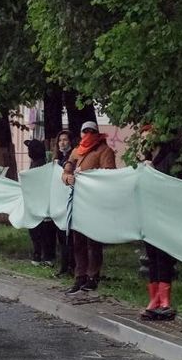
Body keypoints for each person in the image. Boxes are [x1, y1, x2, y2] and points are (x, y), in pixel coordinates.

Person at [61, 119, 117, 294]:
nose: (87, 135)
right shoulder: (77, 151)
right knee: (78, 242)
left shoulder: (104, 151)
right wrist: (67, 177)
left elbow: (109, 175)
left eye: (91, 131)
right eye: (85, 131)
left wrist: (89, 177)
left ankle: (93, 276)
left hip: (94, 202)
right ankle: (80, 276)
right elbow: (66, 169)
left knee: (93, 241)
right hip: (78, 201)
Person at [140, 127, 182, 321]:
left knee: (163, 256)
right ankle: (154, 299)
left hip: (166, 214)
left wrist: (152, 172)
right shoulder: (147, 159)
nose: (145, 142)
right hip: (149, 213)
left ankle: (165, 300)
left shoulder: (173, 158)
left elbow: (176, 185)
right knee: (151, 255)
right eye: (142, 139)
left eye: (148, 137)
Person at [24, 138, 58, 264]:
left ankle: (46, 256)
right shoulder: (35, 164)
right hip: (35, 204)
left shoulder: (41, 165)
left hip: (42, 205)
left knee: (43, 232)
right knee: (38, 231)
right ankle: (40, 254)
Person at [53, 129, 75, 276]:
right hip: (59, 202)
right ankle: (64, 266)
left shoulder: (73, 157)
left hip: (70, 202)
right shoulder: (58, 158)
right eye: (60, 140)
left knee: (69, 237)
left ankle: (71, 266)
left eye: (65, 140)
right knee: (61, 236)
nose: (62, 142)